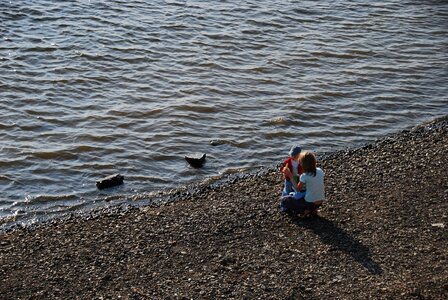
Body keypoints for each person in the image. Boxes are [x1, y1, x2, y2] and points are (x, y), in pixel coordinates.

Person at [280, 151, 325, 216]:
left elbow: (298, 189)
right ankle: (312, 209)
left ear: (302, 165)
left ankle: (305, 210)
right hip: (320, 201)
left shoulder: (304, 176)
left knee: (284, 200)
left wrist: (290, 176)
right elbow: (312, 181)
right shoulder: (320, 170)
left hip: (309, 203)